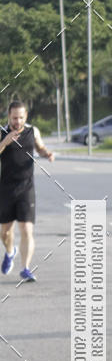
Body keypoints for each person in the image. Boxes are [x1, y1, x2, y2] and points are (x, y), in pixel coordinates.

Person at [0, 100, 54, 283]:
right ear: (9, 116)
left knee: (26, 229)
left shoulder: (33, 131)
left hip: (26, 188)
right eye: (14, 118)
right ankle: (10, 252)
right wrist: (5, 142)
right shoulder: (1, 133)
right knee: (5, 233)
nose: (17, 121)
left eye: (21, 117)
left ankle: (25, 268)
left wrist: (47, 154)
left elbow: (40, 147)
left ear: (26, 117)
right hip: (6, 189)